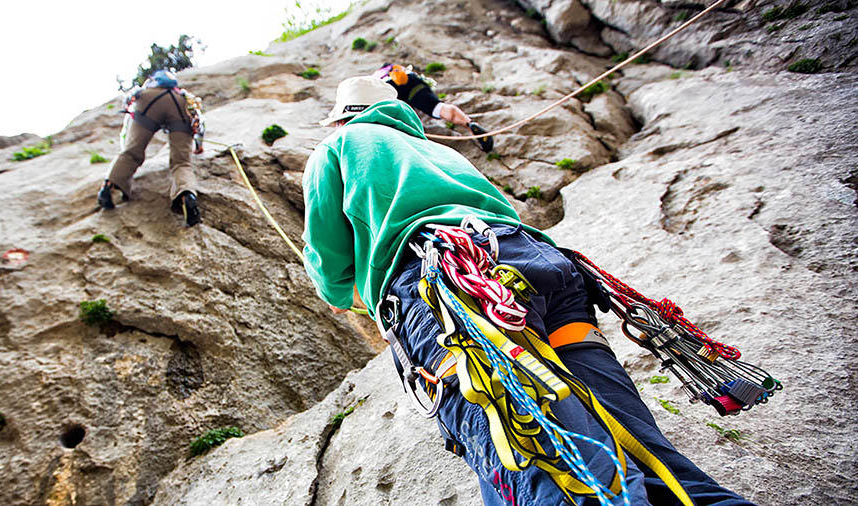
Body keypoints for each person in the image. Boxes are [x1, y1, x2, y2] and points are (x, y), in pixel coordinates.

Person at [303, 76, 755, 505]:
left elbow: (330, 262)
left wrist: (344, 293)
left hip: (454, 285)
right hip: (540, 266)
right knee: (637, 445)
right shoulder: (435, 149)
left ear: (343, 119)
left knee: (543, 457)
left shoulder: (339, 146)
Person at [98, 69, 205, 227]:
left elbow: (127, 129)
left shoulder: (146, 89)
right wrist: (198, 146)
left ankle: (109, 186)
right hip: (178, 106)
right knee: (181, 162)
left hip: (147, 102)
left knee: (131, 153)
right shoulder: (182, 95)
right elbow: (199, 124)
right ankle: (187, 195)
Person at [374, 63, 494, 152]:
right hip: (412, 81)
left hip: (389, 87)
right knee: (438, 107)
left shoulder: (377, 76)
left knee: (398, 115)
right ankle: (470, 123)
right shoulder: (398, 69)